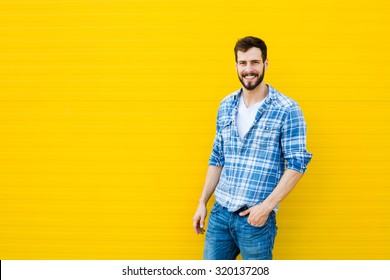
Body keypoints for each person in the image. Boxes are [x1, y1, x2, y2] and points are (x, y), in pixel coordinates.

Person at [192, 36, 312, 260]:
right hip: (219, 217)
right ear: (236, 66)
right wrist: (202, 202)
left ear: (265, 64)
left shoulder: (287, 109)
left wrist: (266, 208)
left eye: (255, 62)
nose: (249, 69)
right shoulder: (226, 105)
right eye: (243, 63)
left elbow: (297, 164)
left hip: (255, 221)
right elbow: (217, 158)